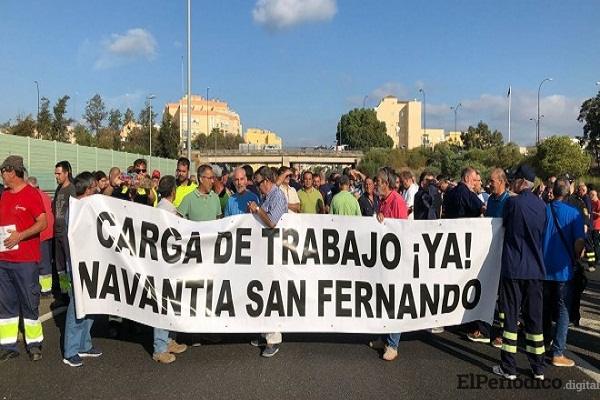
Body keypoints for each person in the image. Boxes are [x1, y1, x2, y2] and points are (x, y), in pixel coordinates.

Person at [492, 164, 547, 381]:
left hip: (513, 269)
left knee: (511, 320)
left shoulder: (513, 204)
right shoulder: (543, 206)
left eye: (515, 179)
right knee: (535, 320)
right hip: (535, 270)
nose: (512, 181)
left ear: (522, 182)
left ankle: (509, 367)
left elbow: (502, 227)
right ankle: (538, 368)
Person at [0, 155, 48, 362]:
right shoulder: (4, 195)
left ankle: (34, 344)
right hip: (4, 261)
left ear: (13, 172)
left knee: (29, 303)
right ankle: (8, 345)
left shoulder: (31, 194)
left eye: (3, 171)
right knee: (6, 305)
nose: (2, 175)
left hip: (25, 262)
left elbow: (42, 223)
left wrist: (20, 235)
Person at [62, 172, 104, 367]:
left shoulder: (89, 207)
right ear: (87, 189)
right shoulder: (75, 210)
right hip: (78, 267)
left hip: (92, 265)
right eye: (94, 187)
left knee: (90, 305)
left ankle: (84, 345)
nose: (97, 189)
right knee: (76, 307)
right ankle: (70, 350)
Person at [542, 179, 585, 368]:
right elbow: (578, 244)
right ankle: (558, 352)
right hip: (563, 270)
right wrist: (579, 255)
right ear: (567, 193)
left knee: (544, 308)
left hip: (543, 268)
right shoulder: (574, 213)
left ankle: (542, 342)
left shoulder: (543, 210)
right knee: (563, 311)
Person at [247, 166, 287, 357]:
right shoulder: (266, 197)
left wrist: (257, 210)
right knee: (263, 292)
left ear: (267, 181)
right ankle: (264, 333)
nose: (257, 187)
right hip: (265, 253)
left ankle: (273, 339)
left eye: (258, 183)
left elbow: (272, 222)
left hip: (276, 254)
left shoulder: (277, 197)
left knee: (272, 293)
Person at [468, 168, 510, 347]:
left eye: (492, 181)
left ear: (501, 181)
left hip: (503, 255)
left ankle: (502, 333)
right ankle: (484, 329)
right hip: (488, 254)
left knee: (502, 297)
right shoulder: (491, 200)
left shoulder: (509, 201)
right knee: (486, 291)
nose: (489, 183)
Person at [370, 167, 408, 361]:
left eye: (377, 181)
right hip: (383, 260)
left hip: (395, 261)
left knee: (394, 301)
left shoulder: (398, 202)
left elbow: (402, 230)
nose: (375, 184)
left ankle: (393, 344)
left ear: (386, 183)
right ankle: (384, 338)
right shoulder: (382, 201)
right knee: (383, 299)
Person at [152, 175, 188, 364]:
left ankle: (168, 340)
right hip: (165, 266)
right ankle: (159, 347)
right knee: (163, 305)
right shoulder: (166, 211)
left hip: (170, 265)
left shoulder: (162, 208)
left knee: (171, 303)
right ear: (173, 191)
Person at [26, 176, 55, 296]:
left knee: (42, 264)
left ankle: (45, 289)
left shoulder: (32, 196)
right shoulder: (46, 196)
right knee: (50, 264)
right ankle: (59, 290)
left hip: (41, 234)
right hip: (51, 233)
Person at [52, 160, 75, 301]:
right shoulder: (58, 189)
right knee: (60, 267)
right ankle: (64, 292)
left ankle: (72, 295)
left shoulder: (71, 189)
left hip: (67, 234)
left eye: (59, 173)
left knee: (68, 264)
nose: (56, 176)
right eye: (55, 174)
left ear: (66, 173)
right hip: (58, 233)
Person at [590, 189, 600, 272]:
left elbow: (599, 214)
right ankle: (593, 258)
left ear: (596, 195)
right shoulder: (591, 202)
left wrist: (592, 212)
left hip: (596, 226)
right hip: (591, 225)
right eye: (591, 194)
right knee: (591, 243)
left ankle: (597, 258)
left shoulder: (598, 202)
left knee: (596, 243)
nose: (591, 196)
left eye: (593, 194)